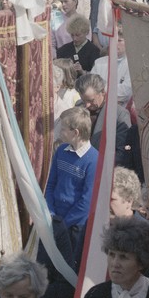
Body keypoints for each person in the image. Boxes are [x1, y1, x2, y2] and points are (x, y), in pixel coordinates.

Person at [45, 106, 98, 261]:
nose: (59, 132)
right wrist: (51, 212)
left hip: (74, 227)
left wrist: (64, 224)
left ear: (76, 133)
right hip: (55, 219)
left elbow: (86, 201)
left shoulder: (94, 160)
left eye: (63, 129)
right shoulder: (61, 151)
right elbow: (51, 183)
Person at [83, 216, 149, 298]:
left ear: (141, 263)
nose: (115, 263)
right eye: (111, 254)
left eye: (123, 257)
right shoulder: (95, 295)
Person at [75, 72, 132, 168]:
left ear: (102, 93)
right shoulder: (79, 106)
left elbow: (123, 152)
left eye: (91, 100)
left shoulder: (119, 115)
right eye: (84, 100)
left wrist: (97, 166)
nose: (87, 105)